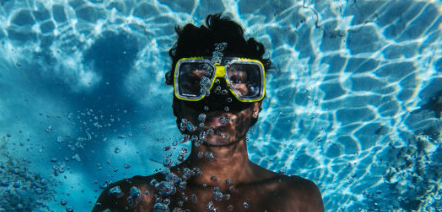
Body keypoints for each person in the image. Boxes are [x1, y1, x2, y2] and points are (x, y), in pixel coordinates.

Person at [93, 14, 324, 212]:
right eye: (197, 82)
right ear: (178, 105)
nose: (217, 98)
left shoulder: (298, 197)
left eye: (237, 80)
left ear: (256, 105)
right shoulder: (134, 199)